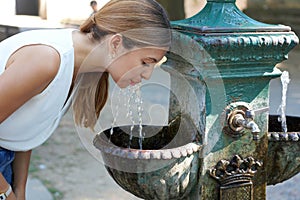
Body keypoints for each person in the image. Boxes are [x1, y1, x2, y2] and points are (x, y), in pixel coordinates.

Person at [0, 0, 171, 199]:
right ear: (116, 43)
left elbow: (27, 129)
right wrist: (6, 192)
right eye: (145, 62)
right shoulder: (47, 60)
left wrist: (20, 190)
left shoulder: (82, 67)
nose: (148, 75)